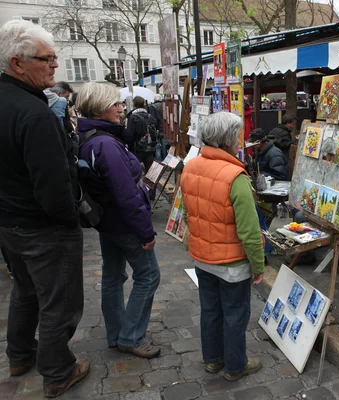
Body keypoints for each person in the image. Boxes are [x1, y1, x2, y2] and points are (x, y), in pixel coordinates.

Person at [0, 20, 89, 398]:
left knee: (25, 291)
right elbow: (54, 188)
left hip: (10, 223)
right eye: (47, 59)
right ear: (17, 63)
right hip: (42, 227)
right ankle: (58, 371)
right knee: (59, 301)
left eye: (56, 58)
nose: (55, 66)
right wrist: (72, 221)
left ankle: (20, 355)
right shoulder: (35, 114)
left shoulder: (16, 103)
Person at [75, 82, 161, 359]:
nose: (121, 108)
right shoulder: (106, 144)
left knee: (113, 275)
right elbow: (126, 194)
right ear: (100, 108)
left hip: (107, 221)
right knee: (148, 276)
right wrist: (146, 232)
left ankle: (116, 333)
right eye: (115, 104)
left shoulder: (90, 137)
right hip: (123, 222)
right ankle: (131, 336)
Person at [180, 112, 265, 382]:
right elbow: (249, 230)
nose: (240, 142)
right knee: (235, 313)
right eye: (237, 137)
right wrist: (258, 264)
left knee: (210, 310)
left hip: (203, 256)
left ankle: (213, 360)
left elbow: (189, 212)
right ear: (228, 140)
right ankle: (235, 365)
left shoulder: (191, 166)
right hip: (231, 263)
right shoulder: (235, 176)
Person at [127, 95, 158, 172]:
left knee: (136, 170)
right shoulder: (150, 116)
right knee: (149, 170)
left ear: (134, 104)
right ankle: (150, 184)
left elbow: (130, 134)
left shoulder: (133, 117)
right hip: (150, 146)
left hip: (137, 147)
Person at [149, 94, 166, 161]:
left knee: (158, 146)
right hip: (164, 128)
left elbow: (153, 120)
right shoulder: (164, 105)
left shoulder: (152, 107)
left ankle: (159, 161)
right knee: (164, 145)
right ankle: (165, 160)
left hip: (157, 129)